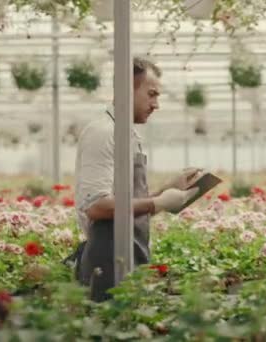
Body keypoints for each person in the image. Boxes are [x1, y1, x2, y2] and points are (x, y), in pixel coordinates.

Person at [70, 57, 201, 302]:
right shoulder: (103, 133)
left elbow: (124, 207)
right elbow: (97, 206)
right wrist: (157, 203)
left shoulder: (125, 133)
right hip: (108, 262)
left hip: (128, 254)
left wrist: (167, 190)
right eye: (151, 94)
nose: (156, 104)